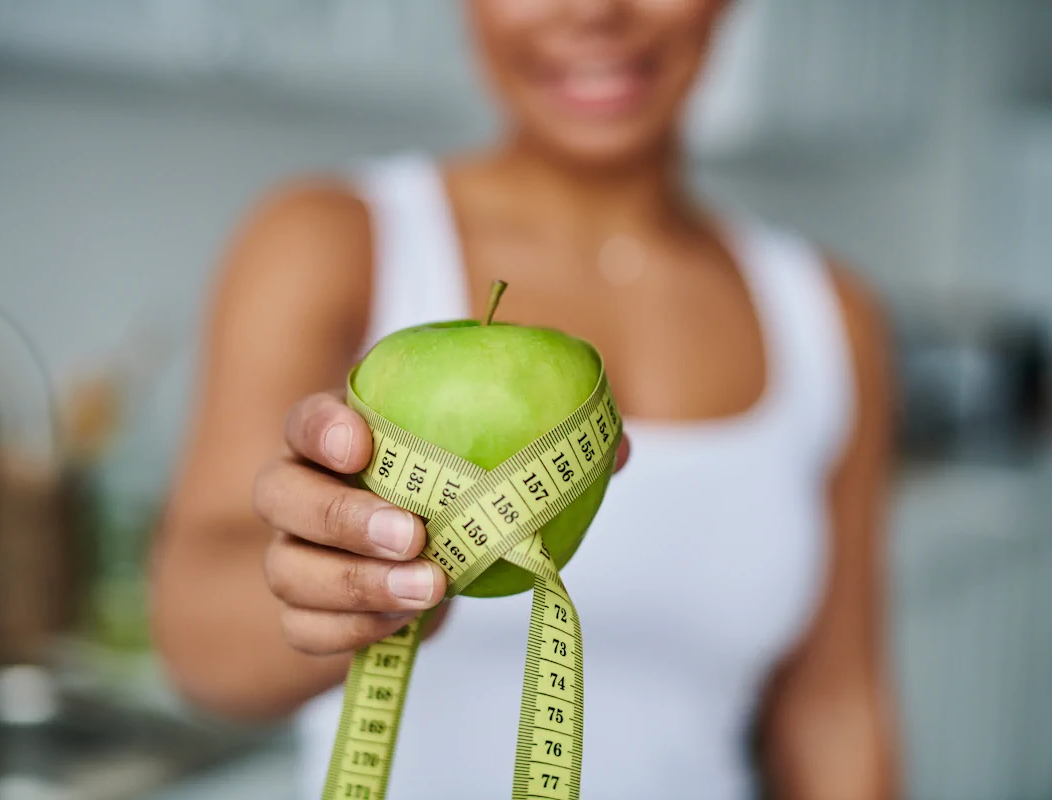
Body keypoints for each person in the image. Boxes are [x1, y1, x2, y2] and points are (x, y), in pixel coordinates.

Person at [151, 1, 899, 797]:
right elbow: (197, 647)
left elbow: (835, 705)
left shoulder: (827, 317)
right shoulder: (328, 244)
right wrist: (367, 590)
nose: (595, 11)